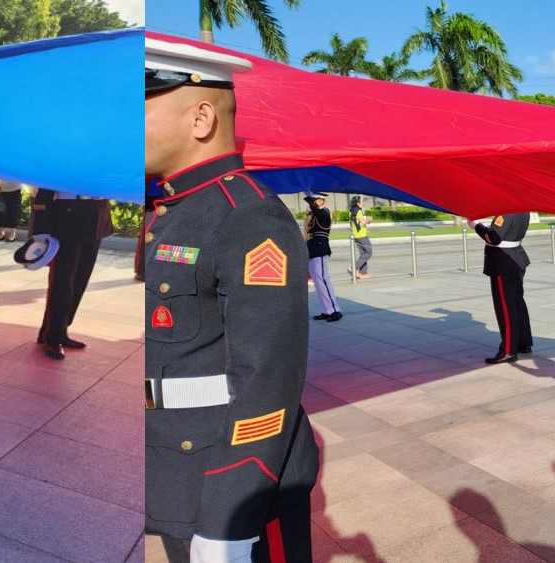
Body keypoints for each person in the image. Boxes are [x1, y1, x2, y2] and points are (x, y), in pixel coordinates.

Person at [143, 38, 319, 563]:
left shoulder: (246, 216)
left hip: (227, 481)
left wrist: (227, 525)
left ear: (201, 118)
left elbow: (267, 383)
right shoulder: (168, 209)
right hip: (172, 465)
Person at [26, 187, 111, 359]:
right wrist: (41, 228)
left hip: (95, 213)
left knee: (80, 279)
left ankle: (60, 329)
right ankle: (52, 336)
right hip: (67, 214)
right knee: (62, 280)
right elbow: (44, 188)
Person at [471, 212, 532, 364]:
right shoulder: (524, 209)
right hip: (515, 258)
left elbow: (494, 238)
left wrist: (476, 225)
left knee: (506, 308)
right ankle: (522, 343)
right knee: (517, 303)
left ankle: (508, 351)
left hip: (503, 262)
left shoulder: (506, 212)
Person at [304, 193, 341, 322]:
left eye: (315, 199)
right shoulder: (314, 214)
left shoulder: (324, 212)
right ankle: (326, 310)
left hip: (320, 247)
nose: (314, 202)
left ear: (321, 200)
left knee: (323, 279)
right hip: (313, 247)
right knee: (318, 281)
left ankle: (335, 310)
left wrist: (308, 196)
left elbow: (318, 213)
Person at [347, 195, 373, 278]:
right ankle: (353, 267)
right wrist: (370, 219)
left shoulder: (351, 211)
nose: (363, 203)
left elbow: (351, 224)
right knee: (369, 252)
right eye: (362, 201)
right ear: (358, 203)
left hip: (355, 235)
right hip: (362, 235)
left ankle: (363, 272)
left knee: (363, 253)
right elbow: (364, 222)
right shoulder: (358, 211)